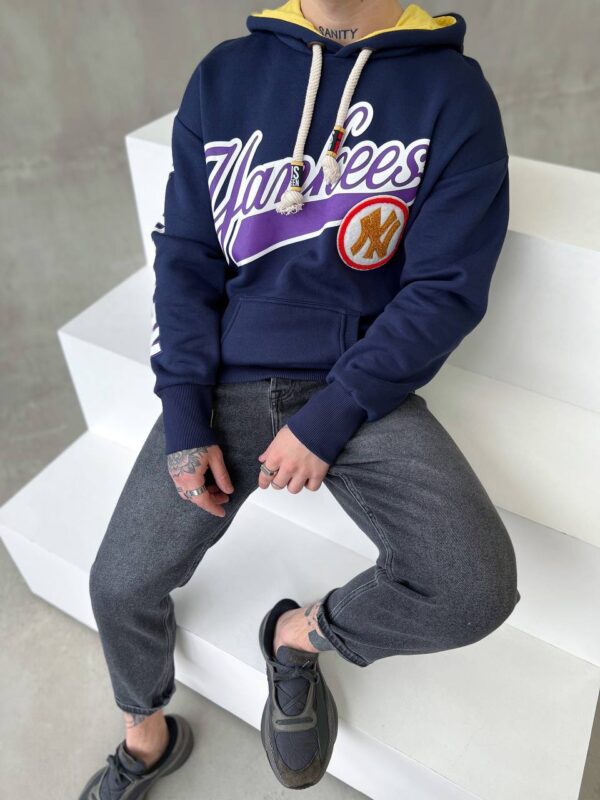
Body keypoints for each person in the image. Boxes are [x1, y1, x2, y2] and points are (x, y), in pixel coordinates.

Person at [79, 0, 521, 797]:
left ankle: (294, 637)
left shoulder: (452, 92)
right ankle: (146, 737)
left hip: (358, 386)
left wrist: (333, 414)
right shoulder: (224, 77)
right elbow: (186, 257)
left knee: (474, 589)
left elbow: (445, 290)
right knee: (118, 584)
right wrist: (184, 410)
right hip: (224, 385)